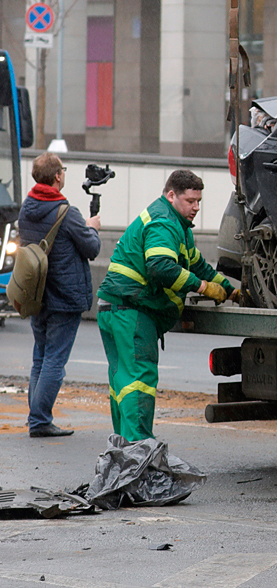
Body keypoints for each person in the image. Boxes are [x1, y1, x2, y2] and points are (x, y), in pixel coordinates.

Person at [96, 169, 236, 441]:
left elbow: (198, 265)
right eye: (190, 201)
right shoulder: (164, 223)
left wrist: (230, 290)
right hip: (132, 311)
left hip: (114, 308)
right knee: (139, 382)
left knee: (122, 383)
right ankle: (140, 451)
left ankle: (124, 449)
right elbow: (161, 268)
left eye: (199, 201)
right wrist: (205, 288)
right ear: (171, 195)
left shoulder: (176, 226)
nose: (196, 207)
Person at [20, 153, 102, 437]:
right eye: (63, 171)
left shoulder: (26, 208)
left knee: (40, 357)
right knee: (54, 359)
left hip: (37, 293)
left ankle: (36, 417)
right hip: (64, 297)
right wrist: (93, 228)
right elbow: (91, 249)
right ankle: (40, 421)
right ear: (57, 177)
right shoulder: (66, 213)